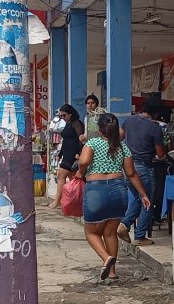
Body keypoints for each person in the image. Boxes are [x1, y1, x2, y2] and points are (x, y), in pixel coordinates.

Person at [77, 113, 151, 281]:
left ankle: (106, 258)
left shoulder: (93, 143)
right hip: (119, 190)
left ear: (99, 129)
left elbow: (83, 162)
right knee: (110, 232)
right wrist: (143, 194)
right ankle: (112, 272)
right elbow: (131, 173)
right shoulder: (123, 147)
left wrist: (80, 172)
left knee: (91, 232)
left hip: (96, 191)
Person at [118, 99, 166, 246]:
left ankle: (124, 225)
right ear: (156, 113)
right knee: (147, 201)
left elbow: (119, 137)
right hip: (144, 168)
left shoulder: (129, 121)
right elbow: (160, 154)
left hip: (127, 166)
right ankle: (140, 236)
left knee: (140, 199)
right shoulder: (155, 128)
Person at [49, 104, 84, 210]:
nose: (62, 118)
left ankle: (57, 201)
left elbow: (81, 139)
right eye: (61, 116)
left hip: (74, 153)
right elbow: (65, 141)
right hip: (67, 153)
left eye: (64, 115)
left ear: (70, 114)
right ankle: (73, 201)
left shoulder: (77, 123)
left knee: (61, 175)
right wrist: (60, 154)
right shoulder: (68, 124)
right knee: (73, 178)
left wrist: (80, 153)